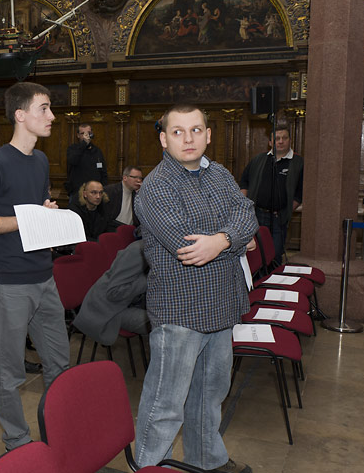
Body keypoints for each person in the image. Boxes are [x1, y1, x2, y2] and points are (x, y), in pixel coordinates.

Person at [133, 104, 257, 473]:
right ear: (163, 139)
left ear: (208, 134)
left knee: (210, 395)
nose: (188, 139)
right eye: (178, 132)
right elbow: (189, 248)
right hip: (181, 312)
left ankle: (206, 461)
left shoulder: (219, 173)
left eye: (196, 130)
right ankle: (149, 467)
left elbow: (247, 212)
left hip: (222, 303)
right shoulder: (156, 187)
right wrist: (236, 239)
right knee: (165, 406)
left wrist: (222, 239)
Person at [0, 81, 69, 450]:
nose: (52, 116)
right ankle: (17, 441)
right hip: (10, 283)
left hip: (45, 277)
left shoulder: (40, 160)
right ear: (20, 115)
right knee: (9, 372)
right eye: (44, 108)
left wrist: (46, 213)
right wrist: (29, 219)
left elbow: (35, 208)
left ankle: (58, 432)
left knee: (60, 365)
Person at [239, 124, 303, 265]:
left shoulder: (299, 163)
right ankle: (259, 279)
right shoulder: (258, 160)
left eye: (284, 138)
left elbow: (301, 192)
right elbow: (244, 182)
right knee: (256, 253)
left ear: (290, 140)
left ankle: (274, 277)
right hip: (256, 215)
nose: (280, 141)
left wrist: (288, 209)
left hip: (279, 218)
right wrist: (244, 206)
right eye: (277, 138)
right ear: (270, 142)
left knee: (275, 253)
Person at [72, 240, 149, 343]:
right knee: (164, 322)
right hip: (110, 310)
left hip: (133, 304)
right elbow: (114, 293)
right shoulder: (137, 250)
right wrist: (150, 280)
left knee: (168, 319)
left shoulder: (159, 251)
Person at [65, 123, 107, 204]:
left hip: (95, 194)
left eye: (88, 133)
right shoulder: (73, 149)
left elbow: (103, 171)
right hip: (78, 192)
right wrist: (84, 144)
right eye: (83, 133)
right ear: (78, 135)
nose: (86, 136)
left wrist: (103, 189)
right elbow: (73, 160)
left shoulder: (97, 151)